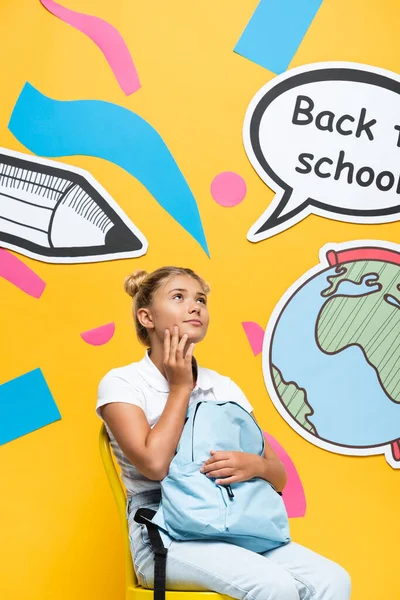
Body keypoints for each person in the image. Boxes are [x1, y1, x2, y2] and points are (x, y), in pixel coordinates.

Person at [96, 266, 351, 600]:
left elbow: (279, 476)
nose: (195, 306)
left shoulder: (223, 387)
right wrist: (181, 388)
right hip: (164, 536)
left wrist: (254, 466)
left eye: (200, 299)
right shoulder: (123, 383)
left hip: (234, 525)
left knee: (332, 579)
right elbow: (154, 465)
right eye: (179, 297)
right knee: (274, 585)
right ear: (147, 317)